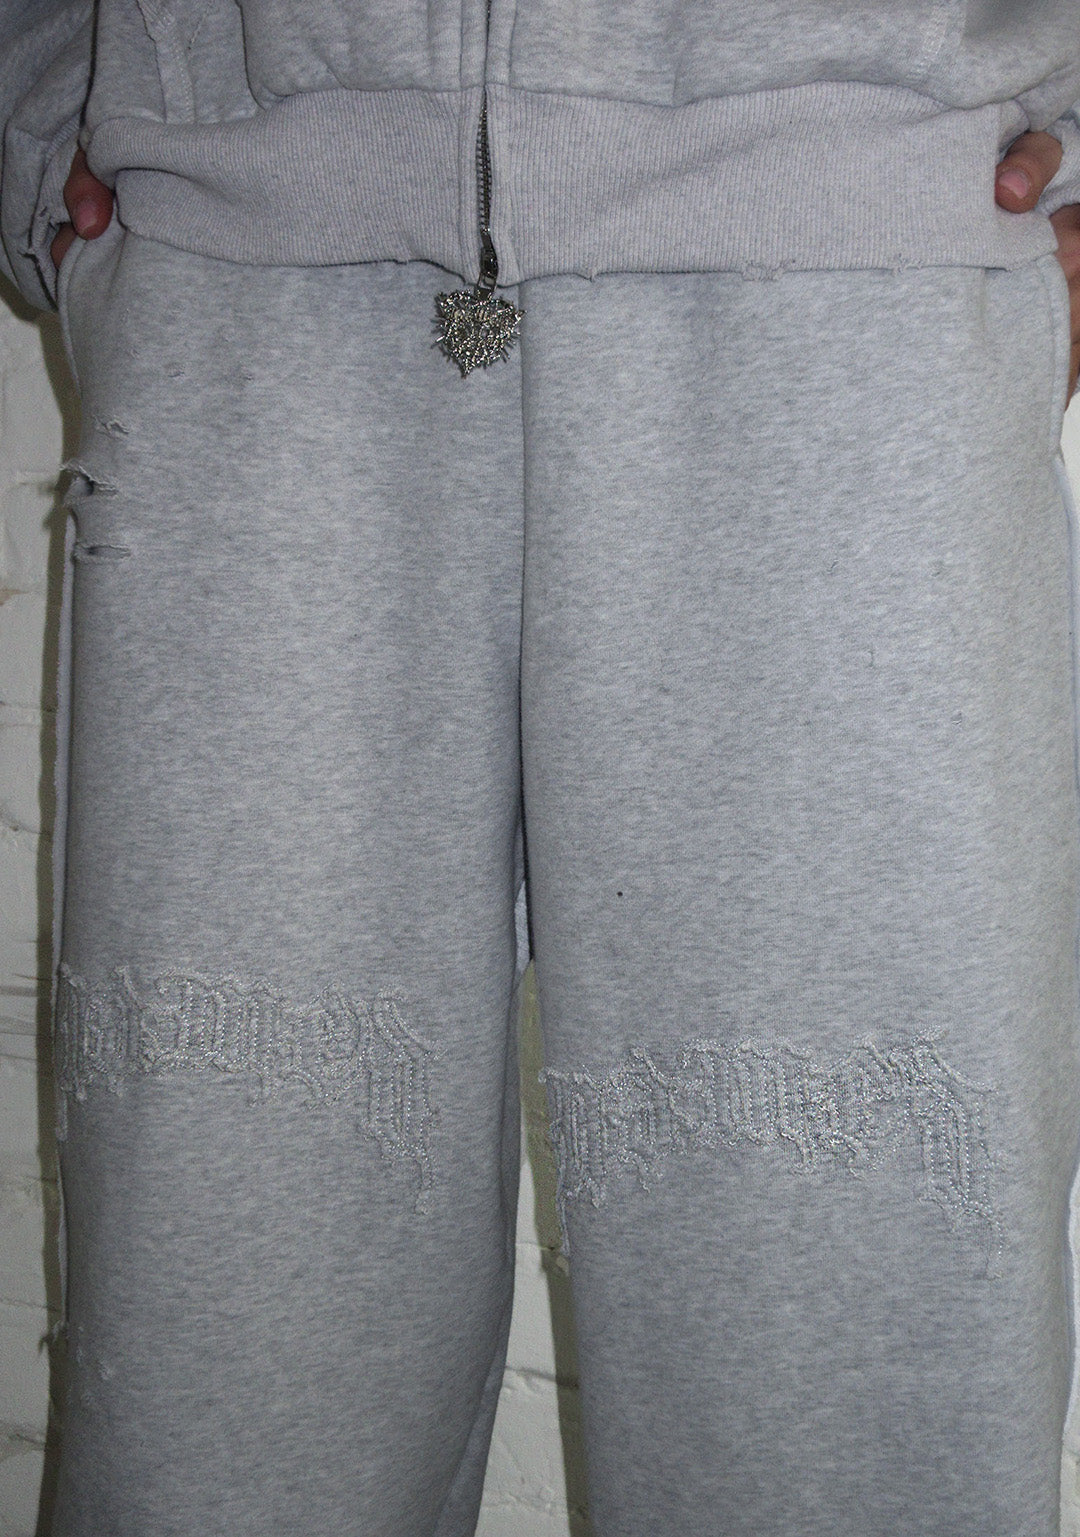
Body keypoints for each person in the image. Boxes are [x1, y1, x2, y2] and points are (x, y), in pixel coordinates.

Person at [4, 4, 1080, 1534]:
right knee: (218, 1398)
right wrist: (49, 132)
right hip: (249, 299)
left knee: (847, 1400)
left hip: (850, 295)